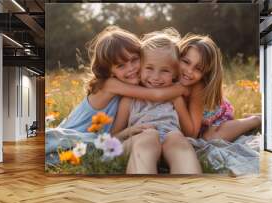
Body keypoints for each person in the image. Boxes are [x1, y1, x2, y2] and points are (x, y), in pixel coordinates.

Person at [57, 26, 189, 140]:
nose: (130, 68)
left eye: (134, 59)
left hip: (104, 138)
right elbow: (156, 95)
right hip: (76, 134)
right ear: (110, 71)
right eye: (121, 66)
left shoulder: (131, 87)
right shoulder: (110, 84)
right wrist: (182, 89)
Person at [111, 28, 202, 174]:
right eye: (149, 68)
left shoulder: (175, 98)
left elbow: (188, 133)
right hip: (138, 141)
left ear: (175, 73)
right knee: (149, 135)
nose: (156, 77)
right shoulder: (129, 100)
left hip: (169, 141)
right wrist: (129, 131)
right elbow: (114, 136)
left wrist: (179, 135)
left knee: (177, 139)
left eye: (165, 70)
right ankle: (142, 190)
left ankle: (190, 190)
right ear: (140, 68)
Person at [172, 34, 261, 142]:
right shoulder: (166, 77)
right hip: (194, 120)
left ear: (205, 73)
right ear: (177, 57)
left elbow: (192, 134)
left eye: (198, 68)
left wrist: (176, 97)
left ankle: (255, 120)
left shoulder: (197, 87)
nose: (189, 71)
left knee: (209, 138)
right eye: (186, 62)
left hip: (217, 119)